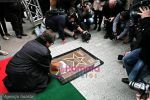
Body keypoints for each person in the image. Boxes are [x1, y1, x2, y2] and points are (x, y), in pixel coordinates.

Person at [122, 7, 150, 84]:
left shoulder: (146, 20)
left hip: (148, 57)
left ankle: (136, 81)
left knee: (133, 77)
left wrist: (146, 19)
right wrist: (131, 51)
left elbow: (147, 35)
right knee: (126, 59)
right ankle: (133, 79)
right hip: (144, 48)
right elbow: (141, 38)